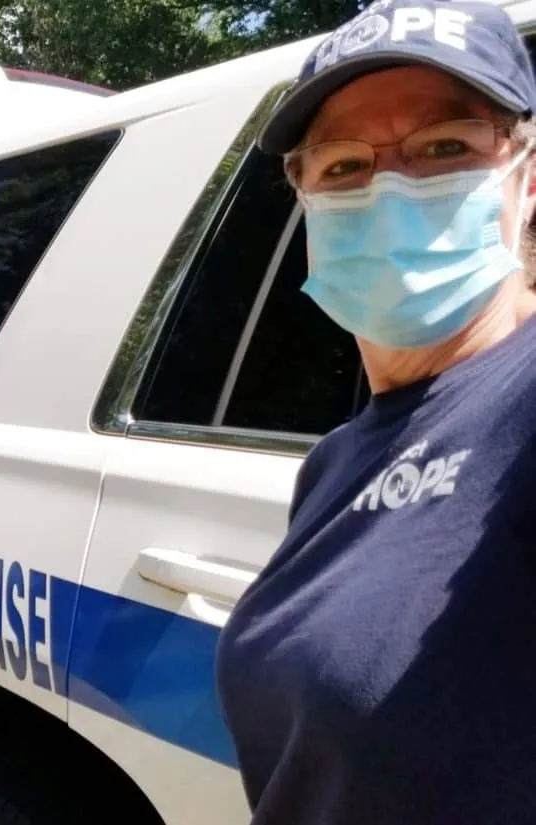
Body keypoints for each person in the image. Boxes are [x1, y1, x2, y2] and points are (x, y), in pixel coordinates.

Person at [214, 2, 536, 823]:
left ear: (525, 177)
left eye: (444, 148)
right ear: (306, 201)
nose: (392, 187)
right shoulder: (338, 459)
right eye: (345, 165)